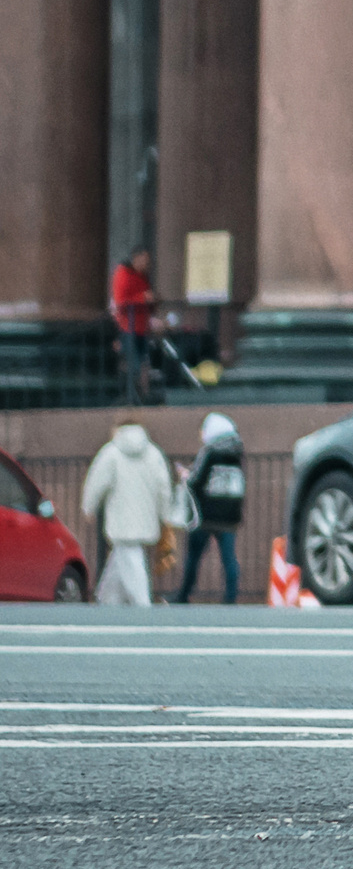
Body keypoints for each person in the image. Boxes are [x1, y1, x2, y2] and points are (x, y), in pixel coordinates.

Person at [81, 421, 177, 606]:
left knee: (130, 559)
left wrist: (89, 507)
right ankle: (108, 602)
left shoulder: (111, 453)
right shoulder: (154, 453)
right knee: (123, 557)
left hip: (120, 518)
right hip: (146, 518)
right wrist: (165, 513)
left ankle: (142, 606)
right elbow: (163, 487)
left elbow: (96, 483)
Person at [176, 414, 247, 604]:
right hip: (230, 514)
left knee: (194, 556)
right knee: (229, 558)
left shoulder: (209, 452)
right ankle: (231, 597)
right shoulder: (237, 453)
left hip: (206, 514)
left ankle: (184, 593)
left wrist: (185, 475)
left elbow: (196, 481)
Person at [110, 248, 158, 403]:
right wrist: (143, 298)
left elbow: (147, 299)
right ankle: (130, 395)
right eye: (144, 260)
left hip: (142, 327)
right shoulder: (123, 274)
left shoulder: (143, 276)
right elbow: (121, 301)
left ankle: (143, 395)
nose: (146, 264)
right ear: (135, 259)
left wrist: (152, 302)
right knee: (133, 363)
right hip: (127, 327)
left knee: (144, 363)